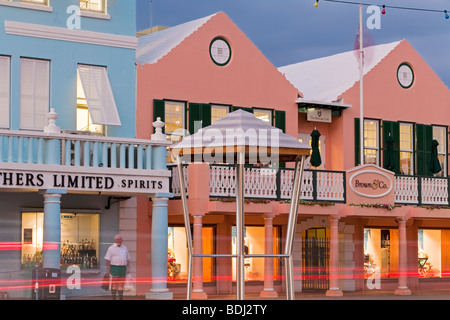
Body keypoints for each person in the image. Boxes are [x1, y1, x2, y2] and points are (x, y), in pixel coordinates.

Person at [104, 234, 131, 300]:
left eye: (120, 240)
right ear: (115, 240)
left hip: (123, 268)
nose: (119, 241)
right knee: (114, 285)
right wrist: (107, 269)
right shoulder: (111, 248)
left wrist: (128, 268)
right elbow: (107, 259)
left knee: (121, 285)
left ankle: (121, 298)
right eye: (118, 239)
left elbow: (128, 259)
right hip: (114, 268)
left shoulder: (124, 248)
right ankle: (114, 298)